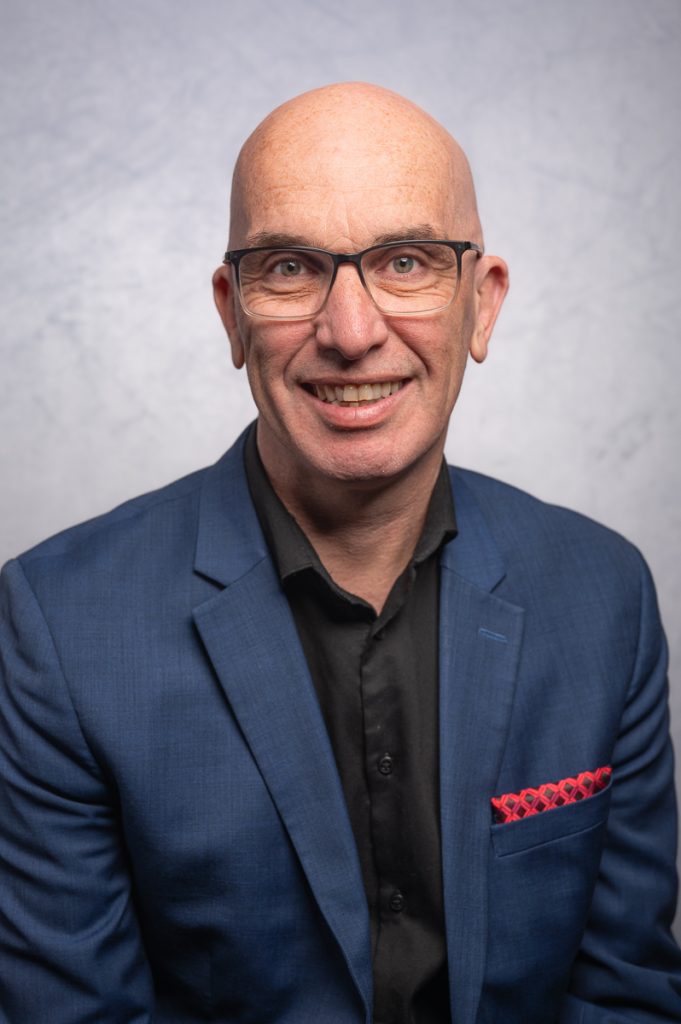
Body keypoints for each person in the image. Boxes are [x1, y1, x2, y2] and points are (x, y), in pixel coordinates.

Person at [0, 82, 680, 1024]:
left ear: (481, 305)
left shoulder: (604, 595)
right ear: (232, 312)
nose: (351, 333)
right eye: (289, 267)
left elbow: (624, 995)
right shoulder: (58, 628)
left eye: (405, 262)